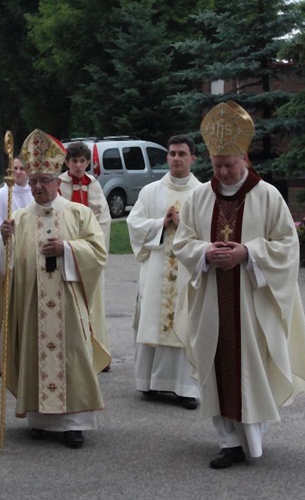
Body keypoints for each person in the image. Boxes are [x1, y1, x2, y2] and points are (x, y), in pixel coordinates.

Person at [172, 101, 305, 469]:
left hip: (251, 301)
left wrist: (248, 254)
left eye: (229, 165)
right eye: (217, 165)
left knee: (251, 367)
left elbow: (287, 244)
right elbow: (182, 242)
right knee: (214, 364)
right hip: (212, 302)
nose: (222, 172)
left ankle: (253, 439)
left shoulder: (266, 195)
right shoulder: (199, 198)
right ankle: (227, 442)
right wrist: (205, 252)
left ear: (244, 158)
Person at [0, 129, 110, 449]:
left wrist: (67, 249)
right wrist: (3, 240)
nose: (38, 187)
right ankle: (39, 418)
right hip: (31, 305)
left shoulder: (78, 213)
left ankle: (74, 422)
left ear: (57, 181)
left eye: (45, 181)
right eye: (34, 181)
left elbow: (97, 252)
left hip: (67, 304)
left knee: (73, 357)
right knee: (34, 355)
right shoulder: (20, 218)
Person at [126, 135, 202, 409]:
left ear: (193, 158)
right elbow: (134, 224)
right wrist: (162, 223)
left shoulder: (203, 193)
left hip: (186, 271)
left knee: (185, 322)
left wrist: (183, 226)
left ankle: (185, 388)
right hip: (157, 267)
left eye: (182, 153)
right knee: (151, 320)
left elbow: (208, 233)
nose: (176, 158)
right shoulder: (151, 191)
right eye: (172, 153)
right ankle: (148, 383)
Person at [58, 142, 112, 371]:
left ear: (88, 162)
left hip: (88, 251)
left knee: (93, 302)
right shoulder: (60, 184)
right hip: (67, 248)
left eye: (82, 161)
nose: (78, 166)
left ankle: (97, 350)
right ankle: (70, 352)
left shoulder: (94, 185)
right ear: (67, 162)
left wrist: (93, 244)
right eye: (74, 161)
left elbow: (103, 219)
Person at [0, 157, 33, 355]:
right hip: (8, 249)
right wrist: (6, 233)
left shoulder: (34, 193)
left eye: (22, 168)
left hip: (28, 251)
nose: (18, 172)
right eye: (15, 168)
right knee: (4, 294)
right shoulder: (1, 195)